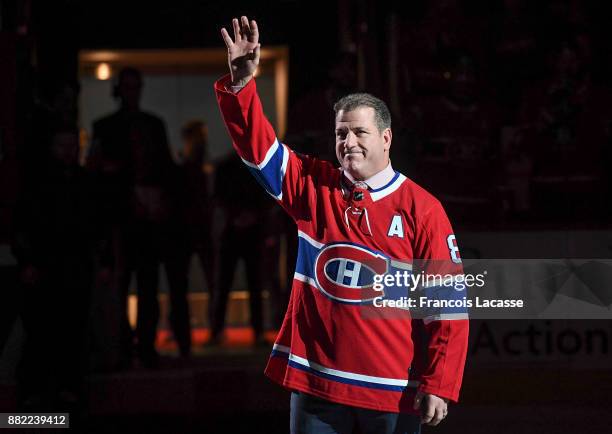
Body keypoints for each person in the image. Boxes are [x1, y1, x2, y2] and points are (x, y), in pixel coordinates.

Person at [216, 17, 469, 434]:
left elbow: (448, 307)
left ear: (386, 138)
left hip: (392, 391)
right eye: (340, 133)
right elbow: (258, 149)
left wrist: (440, 382)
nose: (348, 142)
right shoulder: (312, 186)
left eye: (360, 132)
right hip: (316, 389)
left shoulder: (423, 209)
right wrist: (242, 86)